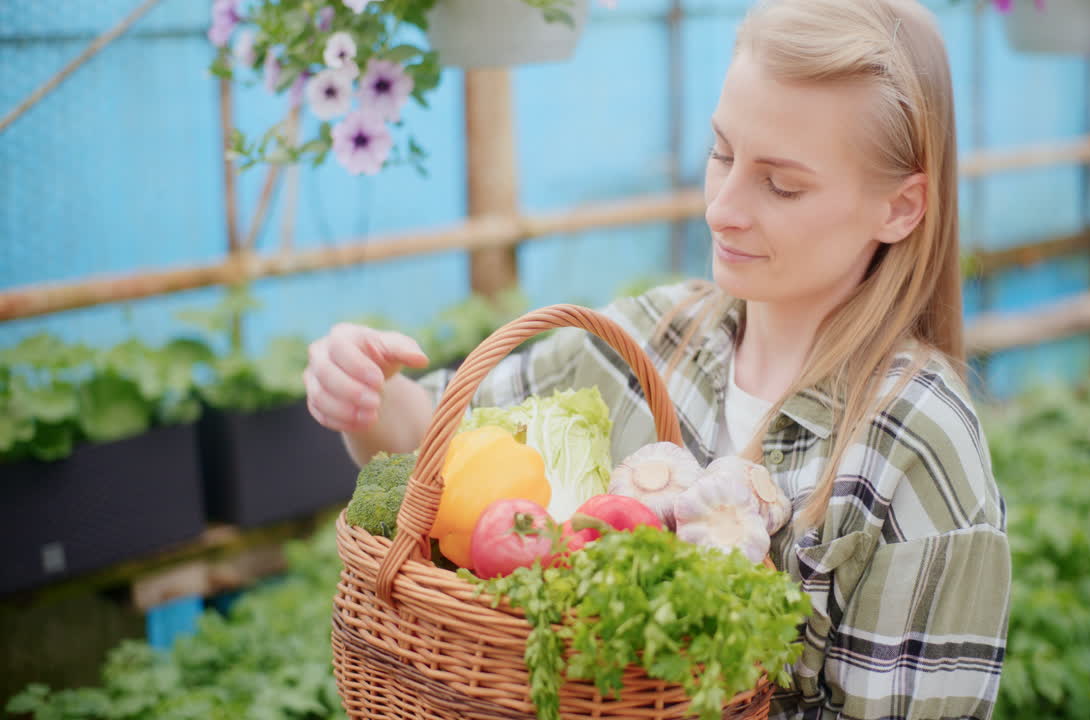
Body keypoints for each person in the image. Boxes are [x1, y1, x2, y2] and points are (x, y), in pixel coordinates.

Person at [303, 0, 1011, 717]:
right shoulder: (649, 337)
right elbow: (437, 446)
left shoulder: (916, 443)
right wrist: (366, 393)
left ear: (900, 207)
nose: (721, 208)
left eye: (782, 184)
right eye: (722, 153)